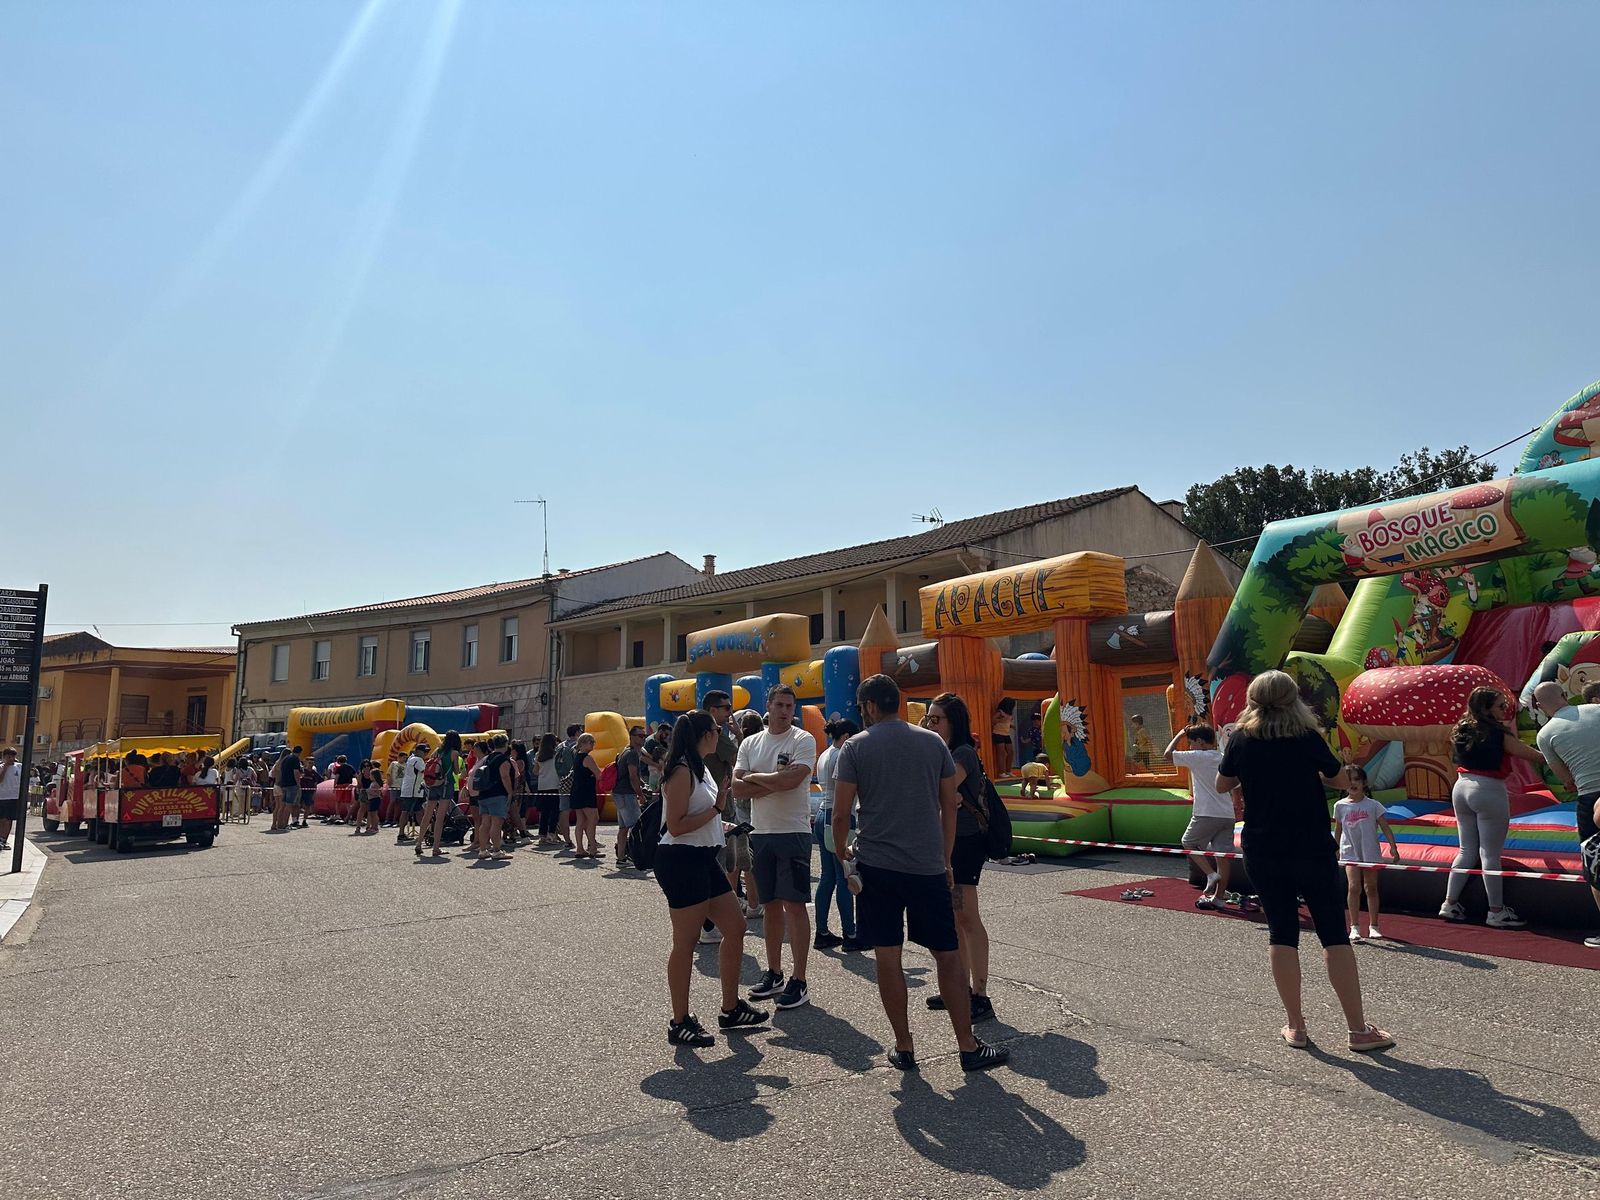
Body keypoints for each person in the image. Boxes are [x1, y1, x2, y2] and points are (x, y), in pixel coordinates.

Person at [832, 675, 1009, 1072]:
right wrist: (945, 859)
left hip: (876, 867)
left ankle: (905, 1045)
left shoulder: (855, 748)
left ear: (871, 707)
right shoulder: (932, 743)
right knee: (946, 955)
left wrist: (843, 854)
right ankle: (966, 1045)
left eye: (862, 710)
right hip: (927, 866)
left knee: (888, 957)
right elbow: (951, 805)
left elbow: (841, 812)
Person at [1214, 670, 1393, 1052]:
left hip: (1263, 846)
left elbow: (1221, 784)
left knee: (1282, 932)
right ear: (1294, 700)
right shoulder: (1306, 736)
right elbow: (1339, 781)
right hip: (1311, 843)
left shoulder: (1242, 739)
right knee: (1332, 932)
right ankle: (1358, 1030)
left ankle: (1296, 1026)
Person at [655, 709, 771, 1047]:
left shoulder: (700, 768)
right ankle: (679, 1021)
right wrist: (718, 810)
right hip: (680, 860)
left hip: (704, 856)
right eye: (717, 728)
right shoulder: (679, 771)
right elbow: (676, 826)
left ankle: (730, 1007)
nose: (720, 732)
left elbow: (698, 816)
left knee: (735, 928)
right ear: (704, 734)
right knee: (686, 942)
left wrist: (723, 825)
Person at [733, 685, 818, 1011]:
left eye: (789, 705)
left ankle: (799, 979)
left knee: (794, 906)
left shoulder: (802, 740)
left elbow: (793, 781)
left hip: (793, 833)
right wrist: (773, 779)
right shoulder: (750, 742)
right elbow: (738, 789)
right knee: (769, 905)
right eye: (779, 704)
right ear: (768, 706)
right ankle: (774, 972)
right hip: (761, 833)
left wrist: (756, 778)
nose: (785, 710)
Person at [1444, 686, 1545, 927]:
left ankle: (1449, 903)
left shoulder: (1461, 729)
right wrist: (1558, 756)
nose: (1505, 710)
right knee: (1490, 854)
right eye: (1500, 706)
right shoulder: (1498, 733)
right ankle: (1496, 910)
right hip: (1488, 788)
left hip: (1461, 787)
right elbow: (1529, 754)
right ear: (1487, 708)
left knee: (1466, 850)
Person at [925, 694, 998, 1022]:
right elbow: (940, 793)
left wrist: (946, 794)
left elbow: (942, 788)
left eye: (935, 719)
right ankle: (959, 988)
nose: (929, 724)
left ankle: (980, 994)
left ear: (953, 721)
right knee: (955, 918)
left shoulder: (963, 753)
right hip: (949, 841)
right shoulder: (942, 752)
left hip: (966, 842)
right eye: (928, 718)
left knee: (967, 917)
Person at [1532, 681, 1600, 948]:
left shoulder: (1545, 734)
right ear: (1564, 695)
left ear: (1537, 706)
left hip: (1590, 796)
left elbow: (1565, 780)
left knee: (1596, 866)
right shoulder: (1596, 710)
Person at [1165, 724, 1235, 909]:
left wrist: (1180, 734)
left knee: (1188, 842)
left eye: (1191, 743)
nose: (1189, 747)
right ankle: (1219, 898)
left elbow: (1167, 754)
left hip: (1206, 812)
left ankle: (1210, 874)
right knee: (1222, 856)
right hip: (1227, 814)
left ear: (1200, 742)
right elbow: (1235, 786)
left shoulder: (1198, 756)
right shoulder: (1222, 757)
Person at [812, 718, 863, 952]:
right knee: (845, 876)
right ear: (845, 737)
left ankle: (822, 931)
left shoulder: (825, 754)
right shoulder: (842, 755)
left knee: (828, 877)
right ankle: (850, 933)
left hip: (823, 814)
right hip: (838, 816)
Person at [1334, 765, 1400, 941]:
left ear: (1364, 783)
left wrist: (1393, 847)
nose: (1352, 783)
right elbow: (1338, 830)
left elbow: (1385, 826)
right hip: (1350, 852)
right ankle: (1354, 926)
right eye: (1349, 780)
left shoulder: (1373, 805)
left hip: (1369, 851)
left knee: (1370, 887)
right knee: (1353, 887)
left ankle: (1374, 925)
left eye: (1356, 779)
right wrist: (1336, 848)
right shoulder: (1340, 806)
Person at [417, 731, 461, 858]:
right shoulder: (454, 753)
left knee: (428, 814)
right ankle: (436, 848)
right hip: (446, 785)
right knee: (440, 817)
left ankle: (419, 843)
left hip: (433, 784)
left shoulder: (437, 751)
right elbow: (457, 771)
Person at [471, 734, 515, 862]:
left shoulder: (487, 758)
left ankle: (483, 849)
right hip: (497, 794)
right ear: (506, 744)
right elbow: (505, 776)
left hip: (484, 794)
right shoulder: (503, 759)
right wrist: (510, 792)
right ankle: (496, 850)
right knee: (497, 823)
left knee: (485, 823)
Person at [612, 727, 646, 866]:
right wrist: (640, 794)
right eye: (640, 736)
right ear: (631, 736)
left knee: (623, 828)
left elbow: (631, 775)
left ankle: (621, 857)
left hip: (619, 793)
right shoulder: (632, 754)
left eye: (644, 736)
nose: (643, 738)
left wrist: (642, 783)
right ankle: (634, 856)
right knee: (636, 827)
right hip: (627, 794)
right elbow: (632, 776)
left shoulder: (625, 752)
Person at [567, 733, 603, 859]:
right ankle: (592, 847)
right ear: (582, 744)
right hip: (586, 792)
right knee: (593, 819)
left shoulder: (577, 756)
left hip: (576, 791)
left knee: (581, 821)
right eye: (590, 742)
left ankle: (580, 848)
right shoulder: (587, 758)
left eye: (593, 742)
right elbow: (599, 775)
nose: (592, 744)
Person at [556, 724, 582, 848]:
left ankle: (567, 840)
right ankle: (589, 842)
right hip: (575, 781)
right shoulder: (577, 746)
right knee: (584, 812)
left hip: (562, 781)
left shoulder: (560, 746)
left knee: (564, 811)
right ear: (577, 732)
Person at [534, 734, 562, 845]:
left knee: (544, 812)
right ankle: (551, 834)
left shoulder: (538, 755)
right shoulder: (556, 755)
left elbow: (535, 771)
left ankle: (542, 835)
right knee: (554, 811)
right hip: (554, 784)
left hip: (542, 785)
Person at [398, 742, 427, 845]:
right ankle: (401, 834)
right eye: (424, 751)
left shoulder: (412, 758)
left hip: (415, 790)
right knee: (406, 812)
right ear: (418, 751)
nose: (426, 753)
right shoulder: (416, 760)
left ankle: (424, 833)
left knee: (419, 811)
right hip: (411, 791)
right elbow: (425, 771)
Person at [272, 746, 303, 833]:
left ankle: (278, 824)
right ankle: (284, 824)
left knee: (281, 806)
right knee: (289, 805)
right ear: (300, 752)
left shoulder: (284, 760)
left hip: (282, 784)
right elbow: (296, 772)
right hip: (291, 784)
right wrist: (298, 783)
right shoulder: (295, 759)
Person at [0, 747, 20, 852]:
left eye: (13, 756)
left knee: (9, 820)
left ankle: (4, 839)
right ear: (4, 757)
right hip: (2, 797)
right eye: (9, 756)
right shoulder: (1, 767)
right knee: (2, 819)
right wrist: (5, 768)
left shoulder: (19, 767)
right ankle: (0, 838)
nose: (11, 758)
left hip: (14, 797)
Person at [991, 697, 1016, 770]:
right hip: (998, 733)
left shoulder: (1009, 714)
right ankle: (1002, 772)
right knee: (1001, 753)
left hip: (1006, 734)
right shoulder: (1000, 712)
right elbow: (993, 721)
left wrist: (1011, 726)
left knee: (1010, 752)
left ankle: (1008, 770)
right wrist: (1002, 719)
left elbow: (1006, 722)